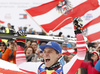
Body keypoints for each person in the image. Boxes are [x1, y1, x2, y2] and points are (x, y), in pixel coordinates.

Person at [16, 34, 87, 74]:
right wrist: (20, 44)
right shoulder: (39, 67)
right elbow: (20, 64)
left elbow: (81, 55)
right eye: (44, 51)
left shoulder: (64, 70)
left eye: (50, 51)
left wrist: (78, 32)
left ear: (58, 55)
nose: (46, 54)